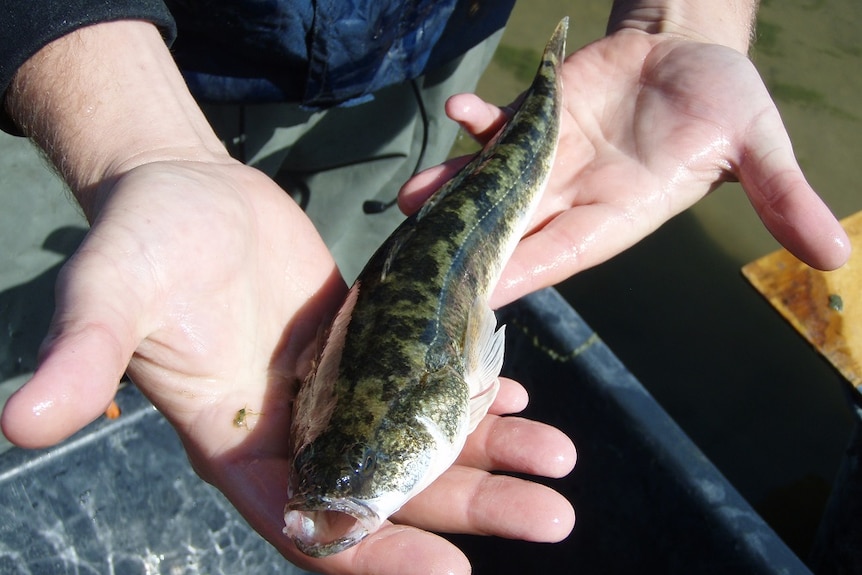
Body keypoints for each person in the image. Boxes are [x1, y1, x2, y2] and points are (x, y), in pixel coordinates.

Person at [0, 1, 850, 575]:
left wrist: (680, 21)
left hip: (427, 56)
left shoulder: (418, 392)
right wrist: (131, 142)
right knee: (51, 340)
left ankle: (545, 81)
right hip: (69, 66)